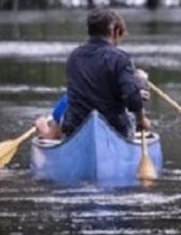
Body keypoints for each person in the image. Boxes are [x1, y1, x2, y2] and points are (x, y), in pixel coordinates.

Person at [60, 8, 150, 138]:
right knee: (140, 81)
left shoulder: (74, 56)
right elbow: (132, 98)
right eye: (121, 35)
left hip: (75, 127)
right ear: (115, 31)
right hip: (114, 127)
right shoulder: (120, 58)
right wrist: (142, 120)